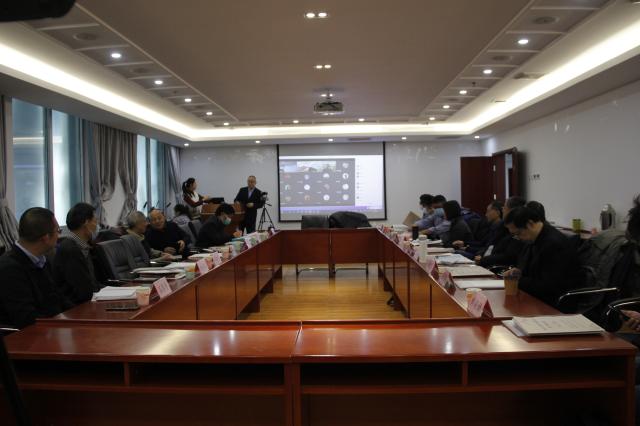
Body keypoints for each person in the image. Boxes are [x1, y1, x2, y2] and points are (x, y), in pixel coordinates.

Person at [0, 208, 72, 329]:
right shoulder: (9, 269)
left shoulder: (42, 259)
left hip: (53, 327)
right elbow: (27, 318)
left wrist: (78, 316)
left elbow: (57, 297)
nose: (59, 235)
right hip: (28, 335)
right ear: (45, 238)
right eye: (58, 231)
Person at [504, 206, 582, 308]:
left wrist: (517, 280)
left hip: (554, 303)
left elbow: (548, 286)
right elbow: (528, 270)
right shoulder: (532, 239)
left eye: (518, 233)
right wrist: (517, 272)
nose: (518, 238)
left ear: (530, 224)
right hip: (535, 297)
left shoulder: (554, 244)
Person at [53, 203, 102, 304]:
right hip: (78, 307)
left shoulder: (84, 246)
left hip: (91, 300)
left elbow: (93, 284)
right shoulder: (70, 250)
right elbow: (82, 291)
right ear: (86, 223)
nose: (97, 226)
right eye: (95, 221)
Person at [476, 195, 526, 268]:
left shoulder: (517, 229)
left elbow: (508, 256)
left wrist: (484, 259)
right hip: (489, 260)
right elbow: (491, 245)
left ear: (512, 211)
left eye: (504, 207)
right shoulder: (501, 226)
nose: (502, 210)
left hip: (499, 265)